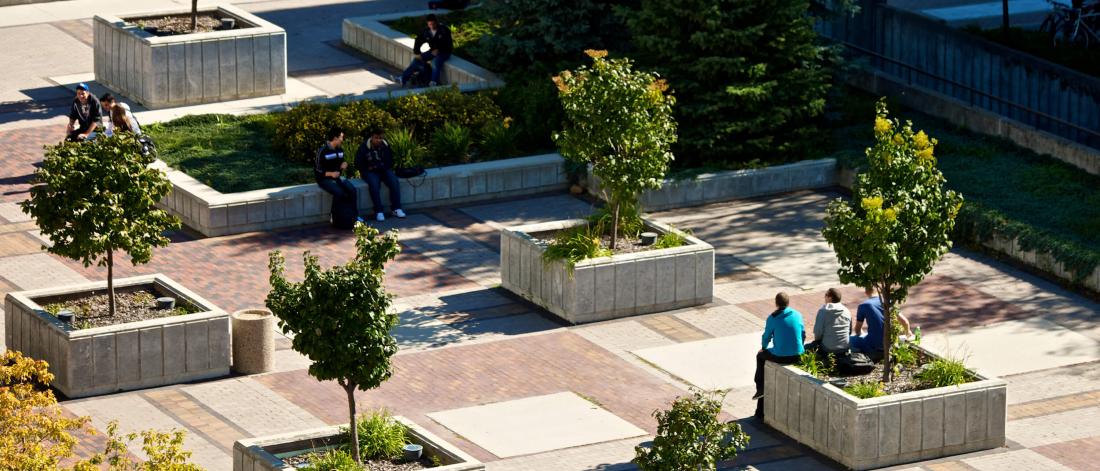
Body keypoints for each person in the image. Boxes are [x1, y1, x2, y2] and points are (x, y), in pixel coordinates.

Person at [753, 292, 805, 418]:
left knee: (760, 356)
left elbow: (766, 337)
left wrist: (764, 348)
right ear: (788, 303)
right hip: (798, 354)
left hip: (781, 356)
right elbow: (803, 334)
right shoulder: (797, 315)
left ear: (776, 303)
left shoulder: (773, 318)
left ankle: (760, 387)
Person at [356, 129, 406, 222]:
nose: (378, 140)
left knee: (394, 181)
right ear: (371, 137)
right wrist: (370, 168)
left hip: (383, 169)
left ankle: (396, 208)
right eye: (376, 138)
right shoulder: (364, 147)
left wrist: (382, 166)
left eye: (380, 138)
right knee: (374, 185)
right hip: (370, 171)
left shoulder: (385, 145)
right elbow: (358, 163)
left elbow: (390, 161)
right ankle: (379, 211)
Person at [850, 287, 912, 362]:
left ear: (866, 292)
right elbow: (905, 322)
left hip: (874, 344)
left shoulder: (863, 305)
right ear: (878, 291)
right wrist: (907, 332)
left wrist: (861, 334)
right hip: (890, 342)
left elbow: (857, 330)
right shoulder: (889, 302)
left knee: (849, 339)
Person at [314, 126, 361, 222]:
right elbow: (317, 170)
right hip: (324, 179)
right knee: (339, 193)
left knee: (352, 190)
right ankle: (335, 217)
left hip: (337, 177)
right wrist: (330, 174)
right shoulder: (322, 151)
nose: (342, 139)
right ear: (335, 138)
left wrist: (343, 165)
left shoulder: (340, 150)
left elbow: (340, 164)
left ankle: (353, 215)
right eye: (341, 137)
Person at [399, 14, 453, 87]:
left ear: (436, 22)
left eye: (433, 24)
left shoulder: (444, 30)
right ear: (427, 24)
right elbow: (418, 40)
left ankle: (433, 82)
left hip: (444, 51)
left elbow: (448, 43)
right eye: (430, 24)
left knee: (435, 62)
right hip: (432, 51)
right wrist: (417, 52)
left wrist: (439, 49)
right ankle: (403, 78)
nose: (432, 26)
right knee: (417, 59)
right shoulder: (426, 31)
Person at [805, 288, 851, 356]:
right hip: (845, 347)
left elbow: (818, 334)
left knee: (805, 347)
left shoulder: (823, 311)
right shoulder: (847, 311)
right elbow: (849, 331)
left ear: (830, 298)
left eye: (826, 295)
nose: (824, 297)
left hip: (828, 349)